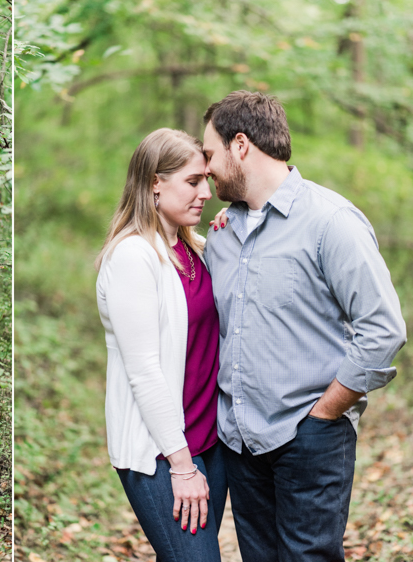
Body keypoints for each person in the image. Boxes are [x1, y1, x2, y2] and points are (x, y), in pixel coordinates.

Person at [202, 91, 407, 562]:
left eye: (210, 154)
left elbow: (383, 328)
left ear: (240, 145)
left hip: (311, 437)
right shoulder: (223, 235)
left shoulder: (331, 221)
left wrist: (324, 415)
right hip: (240, 442)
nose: (207, 168)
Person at [95, 128, 227, 561]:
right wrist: (182, 466)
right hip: (163, 453)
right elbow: (144, 370)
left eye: (205, 179)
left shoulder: (195, 249)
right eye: (192, 182)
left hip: (209, 441)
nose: (205, 192)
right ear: (155, 182)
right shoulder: (133, 257)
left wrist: (232, 235)